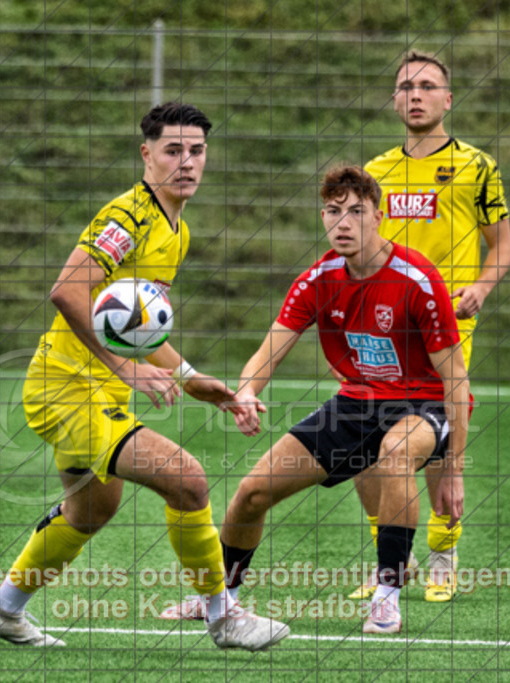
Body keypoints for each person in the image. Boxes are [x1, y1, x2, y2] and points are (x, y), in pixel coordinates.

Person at [0, 102, 289, 652]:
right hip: (66, 387)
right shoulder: (128, 218)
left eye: (197, 151)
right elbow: (68, 291)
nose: (186, 162)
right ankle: (223, 616)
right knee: (187, 480)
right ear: (147, 154)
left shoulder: (176, 229)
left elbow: (133, 326)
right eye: (173, 150)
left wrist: (190, 378)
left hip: (95, 390)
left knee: (91, 509)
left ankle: (3, 608)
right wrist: (127, 367)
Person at [169, 165, 470, 633]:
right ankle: (219, 596)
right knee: (251, 494)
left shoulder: (418, 281)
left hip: (422, 406)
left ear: (380, 217)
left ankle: (387, 596)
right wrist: (246, 392)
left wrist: (452, 470)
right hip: (355, 405)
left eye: (356, 212)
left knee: (394, 454)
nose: (343, 223)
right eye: (333, 212)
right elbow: (268, 352)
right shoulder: (318, 279)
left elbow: (456, 382)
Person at [349, 50, 510, 603]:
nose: (414, 95)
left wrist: (481, 287)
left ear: (448, 98)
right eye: (404, 87)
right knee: (366, 443)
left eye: (426, 86)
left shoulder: (477, 167)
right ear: (394, 100)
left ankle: (444, 552)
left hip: (445, 325)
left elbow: (503, 247)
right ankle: (391, 560)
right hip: (382, 326)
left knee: (440, 445)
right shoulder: (375, 172)